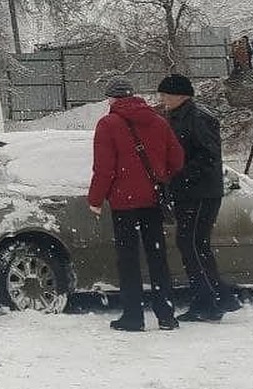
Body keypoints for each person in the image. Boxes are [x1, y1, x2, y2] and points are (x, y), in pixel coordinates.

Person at [88, 77, 184, 332]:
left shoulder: (108, 124)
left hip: (123, 203)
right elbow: (177, 158)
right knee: (157, 256)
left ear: (111, 99)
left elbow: (104, 169)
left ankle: (133, 316)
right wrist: (161, 177)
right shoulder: (157, 121)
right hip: (152, 200)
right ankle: (166, 314)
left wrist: (95, 200)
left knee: (128, 259)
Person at [157, 73, 239, 320]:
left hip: (201, 193)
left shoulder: (198, 118)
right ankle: (213, 298)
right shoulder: (175, 117)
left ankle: (213, 299)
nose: (163, 99)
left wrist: (181, 175)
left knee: (192, 244)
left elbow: (208, 155)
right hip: (189, 192)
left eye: (166, 95)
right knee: (193, 245)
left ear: (181, 96)